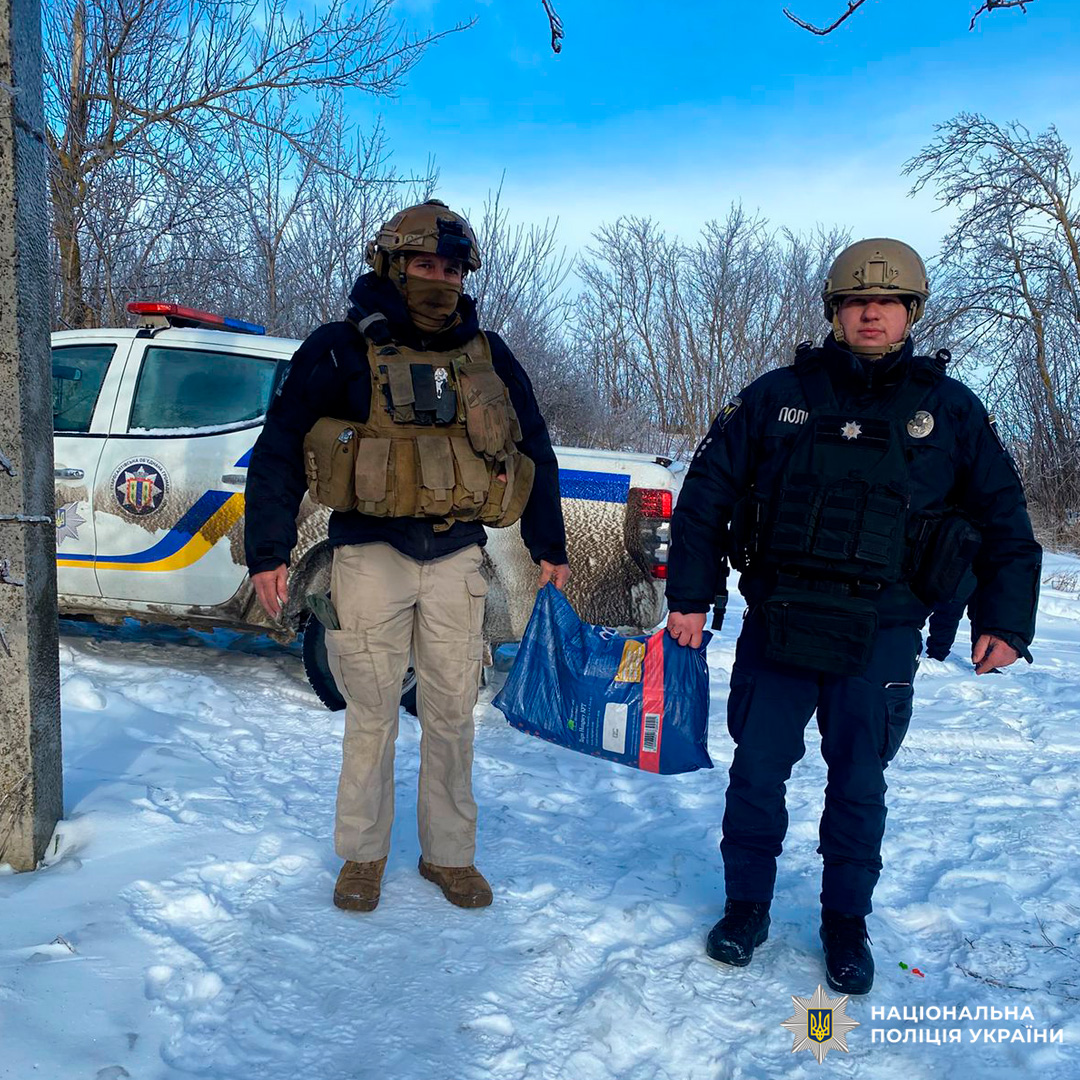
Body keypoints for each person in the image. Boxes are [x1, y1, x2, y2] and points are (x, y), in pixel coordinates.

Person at [664, 238, 1041, 994]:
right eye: (856, 301)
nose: (872, 312)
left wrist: (1005, 620)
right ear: (835, 311)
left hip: (882, 631)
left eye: (888, 301)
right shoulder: (777, 396)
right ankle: (747, 908)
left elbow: (1004, 516)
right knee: (758, 774)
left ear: (910, 313)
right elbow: (706, 494)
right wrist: (688, 598)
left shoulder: (950, 409)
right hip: (780, 621)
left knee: (860, 783)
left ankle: (846, 924)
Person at [244, 200, 570, 913]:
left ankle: (449, 857)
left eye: (452, 268)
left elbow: (533, 446)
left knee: (453, 714)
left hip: (457, 557)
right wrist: (265, 550)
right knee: (371, 714)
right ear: (391, 264)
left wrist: (552, 544)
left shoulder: (488, 354)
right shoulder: (337, 347)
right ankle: (362, 856)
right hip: (369, 555)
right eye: (425, 264)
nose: (440, 279)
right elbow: (280, 448)